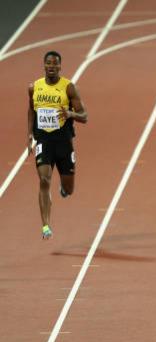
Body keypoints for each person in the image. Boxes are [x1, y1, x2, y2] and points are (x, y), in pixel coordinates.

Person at [28, 51, 88, 239]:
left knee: (69, 189)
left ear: (60, 66)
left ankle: (64, 189)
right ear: (44, 65)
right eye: (48, 63)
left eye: (55, 64)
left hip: (63, 142)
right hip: (43, 141)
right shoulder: (34, 87)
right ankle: (46, 225)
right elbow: (31, 110)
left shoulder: (69, 88)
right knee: (44, 180)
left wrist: (71, 115)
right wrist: (29, 133)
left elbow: (85, 116)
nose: (51, 66)